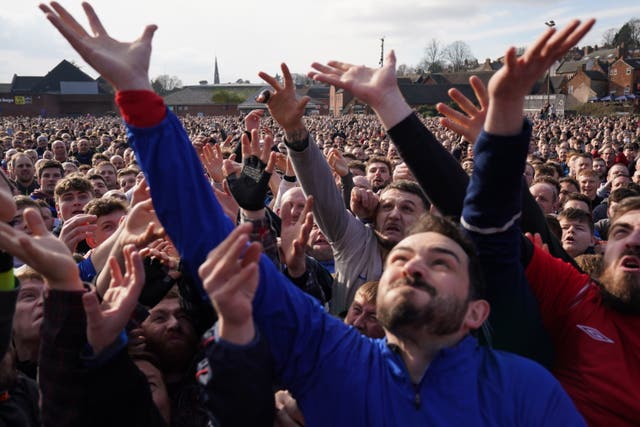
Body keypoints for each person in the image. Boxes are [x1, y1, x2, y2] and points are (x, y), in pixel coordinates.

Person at [39, 4, 276, 426]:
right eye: (162, 315)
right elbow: (65, 375)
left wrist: (250, 214)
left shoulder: (221, 403)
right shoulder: (111, 385)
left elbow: (249, 294)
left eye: (179, 315)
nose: (171, 321)